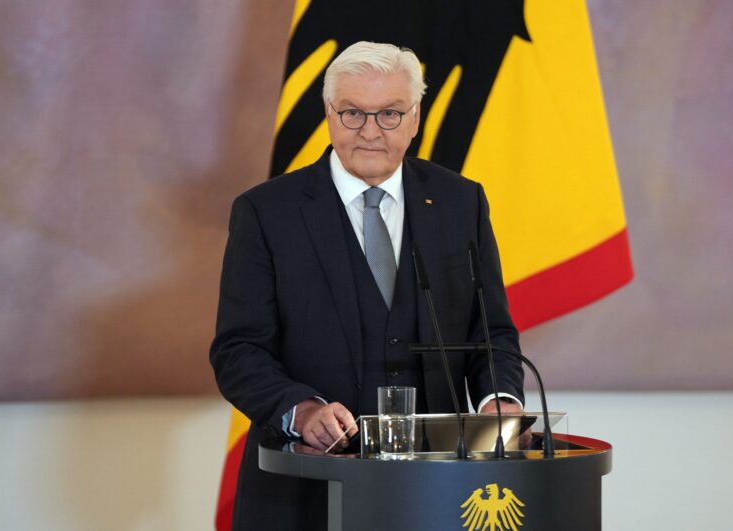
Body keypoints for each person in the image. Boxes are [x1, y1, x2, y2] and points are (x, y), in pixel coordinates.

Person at [210, 41, 524, 531]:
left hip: (439, 489)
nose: (371, 132)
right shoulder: (266, 212)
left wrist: (498, 403)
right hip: (303, 492)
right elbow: (238, 349)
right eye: (353, 113)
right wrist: (300, 408)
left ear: (416, 116)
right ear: (329, 113)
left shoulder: (462, 203)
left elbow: (493, 335)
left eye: (391, 114)